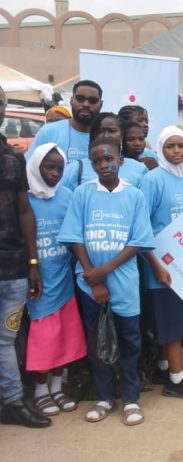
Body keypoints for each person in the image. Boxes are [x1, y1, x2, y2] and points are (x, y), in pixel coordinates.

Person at [58, 137, 156, 426]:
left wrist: (106, 270)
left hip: (125, 282)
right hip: (90, 284)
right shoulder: (82, 193)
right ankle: (104, 397)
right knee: (96, 340)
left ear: (121, 161)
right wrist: (94, 276)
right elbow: (75, 236)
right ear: (91, 164)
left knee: (130, 341)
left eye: (109, 158)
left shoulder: (134, 196)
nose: (104, 165)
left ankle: (131, 398)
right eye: (97, 161)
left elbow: (138, 241)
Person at [139, 126, 183, 400]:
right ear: (160, 149)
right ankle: (176, 381)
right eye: (171, 146)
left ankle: (164, 367)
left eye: (181, 146)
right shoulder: (153, 180)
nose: (177, 151)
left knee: (180, 319)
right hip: (162, 265)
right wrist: (155, 265)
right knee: (172, 322)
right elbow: (141, 225)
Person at [0, 84, 49, 428]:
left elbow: (24, 211)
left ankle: (13, 402)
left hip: (14, 267)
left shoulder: (13, 157)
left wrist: (33, 264)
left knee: (6, 337)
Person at [24, 143, 85, 418]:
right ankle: (40, 390)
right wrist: (32, 266)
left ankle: (58, 386)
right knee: (43, 337)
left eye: (60, 169)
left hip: (64, 277)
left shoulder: (68, 195)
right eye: (49, 167)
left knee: (66, 335)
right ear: (36, 166)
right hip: (39, 280)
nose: (55, 174)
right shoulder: (24, 199)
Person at [60, 112, 149, 190]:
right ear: (94, 135)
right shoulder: (76, 168)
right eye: (100, 131)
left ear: (122, 135)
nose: (105, 135)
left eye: (112, 131)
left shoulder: (140, 169)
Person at [27, 80, 103, 163]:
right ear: (71, 100)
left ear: (101, 104)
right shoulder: (48, 131)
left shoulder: (106, 135)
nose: (86, 104)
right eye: (80, 99)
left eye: (92, 100)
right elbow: (29, 165)